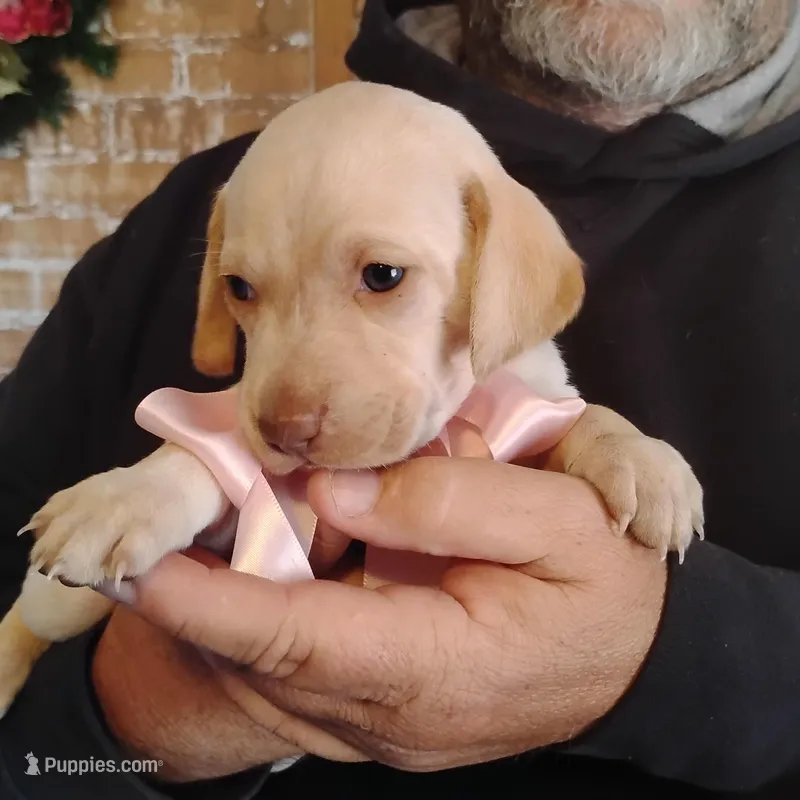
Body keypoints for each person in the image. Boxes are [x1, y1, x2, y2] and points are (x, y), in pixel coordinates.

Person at [1, 0, 799, 796]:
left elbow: (548, 417)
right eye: (243, 288)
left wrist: (681, 660)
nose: (287, 410)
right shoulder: (209, 201)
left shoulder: (500, 263)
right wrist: (123, 729)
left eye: (382, 276)